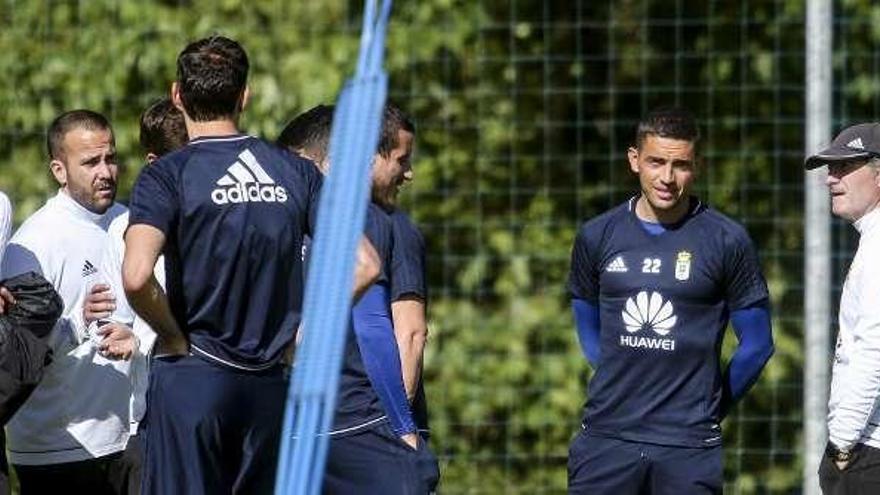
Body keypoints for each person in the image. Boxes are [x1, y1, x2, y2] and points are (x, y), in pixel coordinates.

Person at [122, 36, 380, 494]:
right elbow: (363, 263)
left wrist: (173, 335)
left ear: (177, 93)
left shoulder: (166, 174)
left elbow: (137, 276)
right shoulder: (296, 171)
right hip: (269, 386)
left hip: (195, 380)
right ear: (245, 95)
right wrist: (306, 333)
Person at [566, 107, 774, 494]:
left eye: (680, 165)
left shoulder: (727, 241)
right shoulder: (597, 236)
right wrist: (622, 376)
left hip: (688, 446)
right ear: (634, 160)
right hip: (607, 439)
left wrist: (710, 407)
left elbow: (759, 345)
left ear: (697, 166)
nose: (667, 177)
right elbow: (586, 321)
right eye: (656, 162)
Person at [278, 102, 439, 493]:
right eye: (401, 160)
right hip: (368, 432)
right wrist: (402, 428)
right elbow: (407, 334)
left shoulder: (283, 228)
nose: (408, 173)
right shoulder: (388, 226)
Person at [1, 109, 134, 494]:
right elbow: (14, 357)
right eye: (90, 162)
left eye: (110, 158)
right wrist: (76, 322)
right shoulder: (34, 244)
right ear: (59, 170)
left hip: (128, 440)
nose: (105, 172)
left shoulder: (131, 223)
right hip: (57, 451)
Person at [77, 98, 187, 495]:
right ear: (156, 162)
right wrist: (114, 333)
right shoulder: (123, 228)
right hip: (154, 414)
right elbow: (108, 321)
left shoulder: (229, 215)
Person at [805, 123, 880, 494]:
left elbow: (872, 348)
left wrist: (841, 444)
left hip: (869, 452)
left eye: (844, 168)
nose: (830, 180)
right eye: (829, 169)